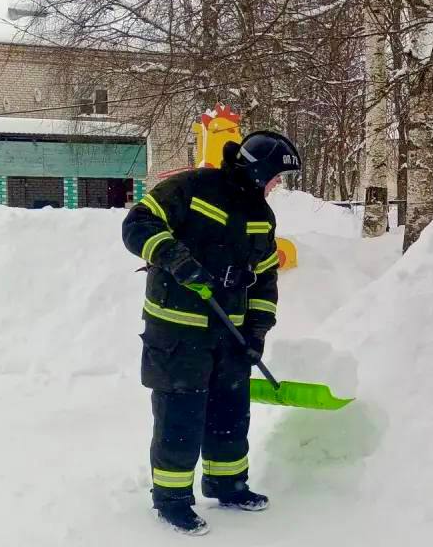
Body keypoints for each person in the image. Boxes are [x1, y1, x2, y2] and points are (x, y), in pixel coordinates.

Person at [121, 130, 301, 535]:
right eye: (276, 176)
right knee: (180, 416)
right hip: (177, 328)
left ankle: (228, 484)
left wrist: (256, 333)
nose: (277, 185)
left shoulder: (260, 214)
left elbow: (265, 278)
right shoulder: (191, 188)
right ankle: (172, 499)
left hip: (229, 331)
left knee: (230, 412)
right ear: (258, 170)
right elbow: (138, 223)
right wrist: (174, 257)